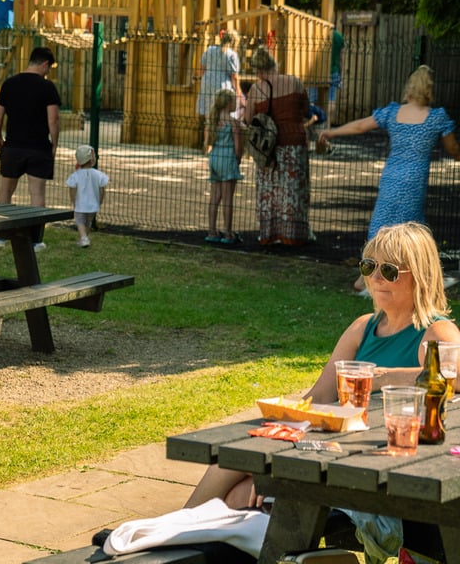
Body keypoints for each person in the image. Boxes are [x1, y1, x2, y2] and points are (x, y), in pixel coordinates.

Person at [184, 222, 460, 554]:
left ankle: (169, 538)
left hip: (380, 471)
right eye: (369, 267)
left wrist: (384, 377)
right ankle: (170, 538)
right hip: (336, 453)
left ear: (419, 275)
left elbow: (450, 378)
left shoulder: (436, 332)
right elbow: (316, 400)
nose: (375, 279)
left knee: (239, 498)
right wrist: (270, 455)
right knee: (233, 474)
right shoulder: (363, 327)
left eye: (389, 270)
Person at [320, 65, 460, 292]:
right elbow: (453, 148)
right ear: (430, 90)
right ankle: (417, 278)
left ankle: (367, 275)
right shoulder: (436, 118)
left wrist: (332, 132)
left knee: (382, 224)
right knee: (411, 228)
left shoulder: (393, 113)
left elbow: (359, 126)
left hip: (391, 176)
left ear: (410, 88)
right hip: (414, 179)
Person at [0, 46, 60, 252]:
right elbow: (53, 119)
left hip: (13, 146)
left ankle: (0, 236)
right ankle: (35, 239)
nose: (49, 72)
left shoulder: (10, 84)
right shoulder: (48, 88)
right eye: (49, 68)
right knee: (37, 194)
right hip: (38, 147)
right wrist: (54, 144)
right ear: (45, 64)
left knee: (5, 191)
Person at [243, 47, 311, 245]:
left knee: (270, 189)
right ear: (274, 63)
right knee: (293, 190)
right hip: (295, 142)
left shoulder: (257, 90)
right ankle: (294, 234)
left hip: (269, 147)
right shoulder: (295, 82)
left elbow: (248, 119)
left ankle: (270, 233)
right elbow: (306, 110)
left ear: (259, 69)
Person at [203, 89, 243, 245]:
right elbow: (238, 145)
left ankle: (212, 231)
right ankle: (228, 232)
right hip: (227, 158)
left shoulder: (213, 120)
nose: (236, 103)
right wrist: (237, 160)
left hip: (215, 157)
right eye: (234, 101)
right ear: (228, 103)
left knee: (214, 198)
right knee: (227, 199)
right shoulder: (233, 122)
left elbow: (208, 141)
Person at [195, 28, 244, 143]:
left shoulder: (210, 50)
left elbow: (201, 69)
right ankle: (221, 143)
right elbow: (234, 76)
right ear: (234, 42)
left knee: (209, 117)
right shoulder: (232, 55)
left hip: (207, 83)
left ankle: (206, 145)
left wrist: (207, 78)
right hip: (223, 86)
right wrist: (238, 92)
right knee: (222, 116)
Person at [66, 145, 108, 248]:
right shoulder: (99, 175)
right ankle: (84, 238)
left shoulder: (75, 175)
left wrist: (73, 200)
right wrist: (100, 200)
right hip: (93, 205)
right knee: (88, 222)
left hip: (80, 204)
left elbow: (72, 189)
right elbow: (102, 190)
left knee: (80, 221)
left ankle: (84, 238)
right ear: (91, 159)